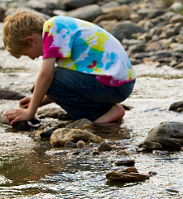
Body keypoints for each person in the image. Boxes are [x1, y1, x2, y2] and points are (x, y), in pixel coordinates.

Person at [3, 10, 136, 125]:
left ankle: (101, 113)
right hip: (120, 84)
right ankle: (105, 109)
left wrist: (30, 112)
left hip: (113, 86)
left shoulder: (52, 28)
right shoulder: (61, 30)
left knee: (48, 80)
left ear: (30, 40)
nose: (32, 58)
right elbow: (68, 85)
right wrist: (37, 102)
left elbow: (46, 76)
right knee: (42, 87)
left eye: (26, 54)